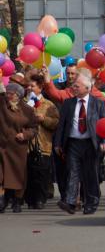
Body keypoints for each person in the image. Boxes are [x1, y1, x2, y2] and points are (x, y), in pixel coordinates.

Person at [54, 74, 105, 215]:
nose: (74, 88)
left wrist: (104, 142)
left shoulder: (98, 103)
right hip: (73, 143)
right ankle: (71, 202)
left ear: (87, 88)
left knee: (90, 174)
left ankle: (91, 203)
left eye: (77, 86)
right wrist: (58, 143)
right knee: (72, 172)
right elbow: (62, 125)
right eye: (73, 85)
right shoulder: (68, 103)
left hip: (91, 144)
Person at [0, 75, 39, 213]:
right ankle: (2, 199)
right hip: (2, 145)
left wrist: (25, 135)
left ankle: (17, 200)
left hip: (17, 147)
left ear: (18, 96)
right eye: (8, 94)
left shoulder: (27, 110)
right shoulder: (2, 104)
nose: (9, 96)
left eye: (12, 94)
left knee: (18, 175)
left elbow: (34, 128)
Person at [24, 74, 60, 209]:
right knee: (29, 172)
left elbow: (56, 122)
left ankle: (40, 199)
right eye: (28, 86)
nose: (29, 88)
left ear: (40, 88)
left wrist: (44, 119)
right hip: (27, 144)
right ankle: (30, 199)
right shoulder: (24, 103)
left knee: (42, 172)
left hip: (44, 143)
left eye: (32, 86)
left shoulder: (49, 104)